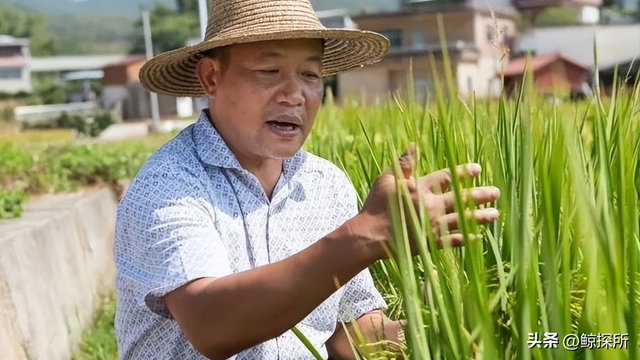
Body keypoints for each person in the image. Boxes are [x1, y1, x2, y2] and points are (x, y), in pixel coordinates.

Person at [113, 1, 501, 359]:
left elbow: (352, 333)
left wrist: (458, 334)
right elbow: (211, 323)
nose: (295, 95)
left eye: (311, 75)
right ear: (212, 77)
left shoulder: (326, 185)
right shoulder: (169, 185)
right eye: (269, 71)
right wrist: (364, 235)